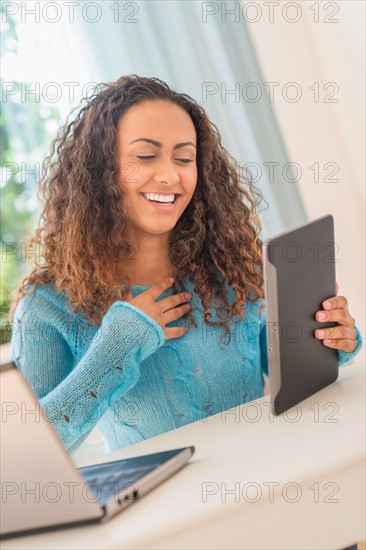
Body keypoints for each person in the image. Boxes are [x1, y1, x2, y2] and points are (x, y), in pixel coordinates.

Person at [9, 75, 362, 458]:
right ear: (100, 170)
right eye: (146, 156)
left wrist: (330, 343)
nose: (170, 176)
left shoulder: (233, 266)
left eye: (184, 158)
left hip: (267, 480)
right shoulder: (48, 304)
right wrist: (121, 340)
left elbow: (285, 374)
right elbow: (29, 455)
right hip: (172, 513)